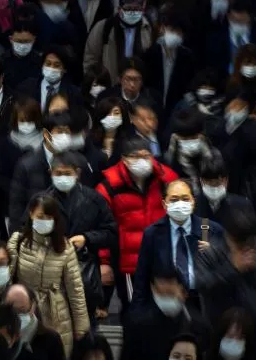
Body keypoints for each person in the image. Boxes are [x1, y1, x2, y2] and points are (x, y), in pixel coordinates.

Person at [96, 136, 179, 309]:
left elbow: (190, 217)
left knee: (165, 308)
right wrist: (104, 262)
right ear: (124, 159)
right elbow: (101, 226)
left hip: (163, 258)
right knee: (134, 310)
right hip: (129, 263)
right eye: (135, 157)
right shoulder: (109, 187)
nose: (142, 161)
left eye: (146, 156)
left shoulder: (166, 179)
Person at [7, 194, 89, 356]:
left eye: (49, 217)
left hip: (56, 314)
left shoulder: (65, 247)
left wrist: (81, 327)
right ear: (31, 214)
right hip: (24, 311)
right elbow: (8, 277)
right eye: (40, 216)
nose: (45, 221)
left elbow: (75, 289)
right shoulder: (18, 241)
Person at [132, 179, 224, 308]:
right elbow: (142, 277)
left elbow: (226, 269)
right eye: (174, 200)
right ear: (164, 204)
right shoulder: (153, 234)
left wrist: (215, 252)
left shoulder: (209, 229)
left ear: (193, 202)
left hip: (205, 302)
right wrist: (138, 311)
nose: (180, 203)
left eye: (185, 199)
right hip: (167, 303)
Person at [47, 152, 117, 319]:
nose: (63, 177)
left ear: (77, 173)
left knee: (85, 325)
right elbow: (26, 231)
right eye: (58, 173)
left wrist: (87, 238)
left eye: (67, 173)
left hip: (85, 275)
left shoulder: (93, 199)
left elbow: (111, 233)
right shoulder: (42, 201)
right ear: (51, 173)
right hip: (50, 272)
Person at [2, 284, 67, 360]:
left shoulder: (51, 338)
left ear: (33, 305)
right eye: (13, 311)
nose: (17, 316)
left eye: (23, 310)